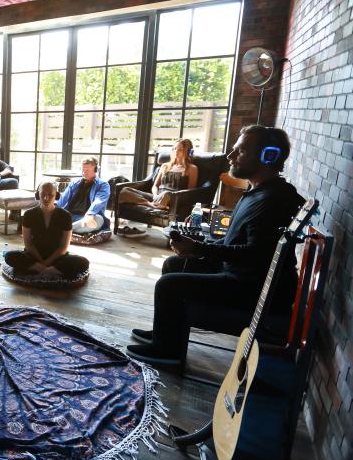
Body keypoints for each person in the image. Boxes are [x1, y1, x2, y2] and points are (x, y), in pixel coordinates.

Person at [126, 126, 304, 368]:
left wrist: (201, 250)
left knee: (169, 285)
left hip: (253, 289)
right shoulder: (259, 193)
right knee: (173, 264)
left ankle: (167, 352)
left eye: (240, 151)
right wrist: (197, 246)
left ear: (268, 156)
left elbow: (254, 256)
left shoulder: (273, 201)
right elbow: (236, 243)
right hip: (242, 274)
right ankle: (165, 334)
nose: (230, 157)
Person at [3, 181, 89, 279]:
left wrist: (47, 262)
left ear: (56, 196)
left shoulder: (65, 216)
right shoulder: (28, 215)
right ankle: (51, 270)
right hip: (34, 256)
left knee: (83, 262)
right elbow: (28, 244)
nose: (46, 198)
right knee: (9, 256)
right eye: (43, 194)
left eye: (50, 195)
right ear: (37, 195)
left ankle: (39, 269)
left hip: (57, 257)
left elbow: (63, 247)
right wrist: (41, 261)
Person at [118, 139, 200, 237]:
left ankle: (159, 204)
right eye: (174, 149)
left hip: (173, 199)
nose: (175, 152)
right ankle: (151, 205)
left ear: (187, 152)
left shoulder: (192, 168)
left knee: (167, 194)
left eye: (180, 150)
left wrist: (170, 196)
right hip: (156, 197)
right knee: (124, 191)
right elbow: (155, 186)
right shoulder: (165, 166)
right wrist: (156, 194)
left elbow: (190, 191)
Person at [57, 157, 111, 234]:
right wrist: (53, 211)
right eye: (83, 170)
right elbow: (62, 200)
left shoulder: (103, 185)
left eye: (87, 170)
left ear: (96, 170)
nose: (84, 173)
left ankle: (64, 230)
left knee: (98, 220)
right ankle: (69, 230)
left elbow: (99, 201)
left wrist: (90, 214)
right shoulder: (74, 183)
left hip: (88, 217)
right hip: (70, 216)